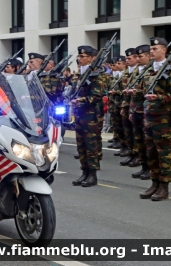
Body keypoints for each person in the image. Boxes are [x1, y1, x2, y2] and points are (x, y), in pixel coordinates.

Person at [139, 37, 171, 201]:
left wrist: (157, 98)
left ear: (164, 50)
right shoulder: (149, 71)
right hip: (149, 119)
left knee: (164, 154)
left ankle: (164, 187)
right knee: (151, 154)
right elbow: (143, 93)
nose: (152, 50)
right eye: (151, 48)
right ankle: (154, 183)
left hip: (164, 121)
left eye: (155, 48)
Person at [71, 46, 105, 187]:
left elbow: (96, 96)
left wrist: (81, 100)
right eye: (79, 56)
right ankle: (84, 172)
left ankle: (92, 174)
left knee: (91, 146)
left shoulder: (98, 74)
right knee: (81, 146)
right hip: (79, 115)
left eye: (83, 56)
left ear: (91, 58)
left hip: (91, 116)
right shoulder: (80, 74)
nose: (79, 59)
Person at [128, 44, 151, 179]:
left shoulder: (152, 70)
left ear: (148, 56)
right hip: (136, 110)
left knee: (148, 142)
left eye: (140, 56)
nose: (137, 59)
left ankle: (150, 168)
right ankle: (144, 166)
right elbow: (132, 95)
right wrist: (131, 110)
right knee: (139, 141)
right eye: (136, 56)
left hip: (146, 112)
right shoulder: (138, 71)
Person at [119, 48, 139, 166]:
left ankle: (137, 156)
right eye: (126, 58)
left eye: (129, 58)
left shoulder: (139, 71)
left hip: (136, 107)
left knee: (136, 133)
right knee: (128, 132)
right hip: (127, 105)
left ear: (136, 58)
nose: (127, 60)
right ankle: (131, 152)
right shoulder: (127, 72)